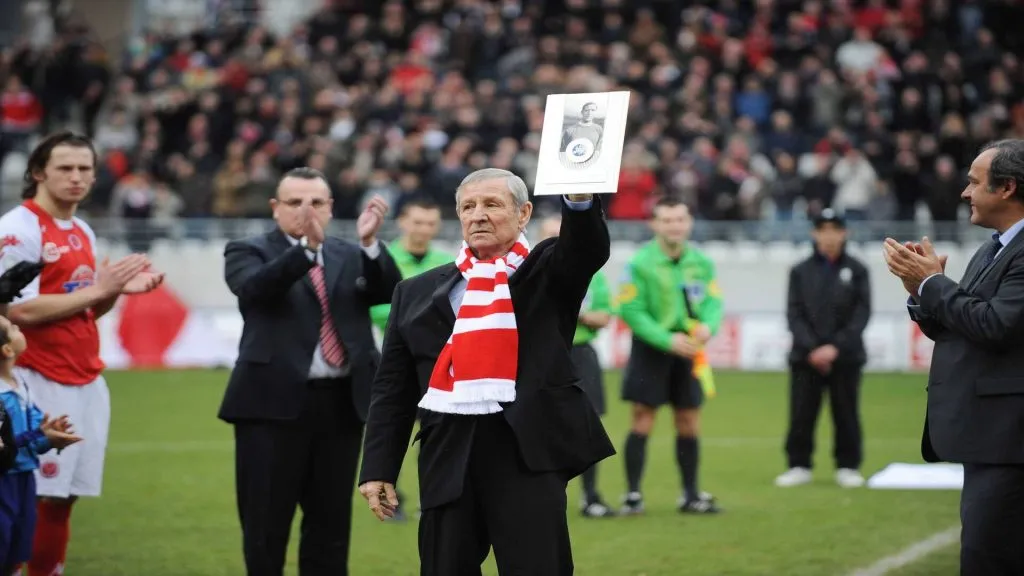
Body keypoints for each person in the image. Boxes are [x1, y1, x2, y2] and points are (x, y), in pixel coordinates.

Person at [357, 168, 614, 576]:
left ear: (524, 213)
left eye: (492, 204)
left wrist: (579, 195)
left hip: (527, 457)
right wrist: (378, 468)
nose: (478, 215)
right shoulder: (415, 292)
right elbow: (393, 387)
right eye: (468, 207)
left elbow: (584, 248)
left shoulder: (547, 272)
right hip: (447, 458)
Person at [219, 166, 401, 576]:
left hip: (340, 404)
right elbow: (254, 290)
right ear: (274, 208)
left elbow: (388, 290)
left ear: (331, 206)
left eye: (317, 202)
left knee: (331, 523)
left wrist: (370, 243)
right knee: (265, 523)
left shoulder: (348, 252)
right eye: (295, 202)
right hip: (270, 406)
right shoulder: (246, 250)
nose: (307, 210)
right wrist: (303, 252)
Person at [0, 131, 163, 576]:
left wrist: (113, 293)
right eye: (65, 168)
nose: (76, 177)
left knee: (65, 497)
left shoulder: (82, 229)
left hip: (85, 377)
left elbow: (86, 308)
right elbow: (18, 308)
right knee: (30, 494)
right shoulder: (20, 228)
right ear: (38, 173)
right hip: (39, 375)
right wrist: (99, 289)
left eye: (85, 169)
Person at [884, 139, 1024, 575]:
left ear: (1007, 188)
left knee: (989, 558)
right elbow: (961, 324)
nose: (964, 193)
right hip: (988, 437)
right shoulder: (994, 247)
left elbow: (996, 326)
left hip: (1011, 441)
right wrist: (921, 291)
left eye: (974, 182)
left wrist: (934, 284)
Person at [617, 197, 723, 515]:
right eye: (667, 220)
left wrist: (708, 326)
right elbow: (631, 310)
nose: (675, 226)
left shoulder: (701, 262)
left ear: (688, 223)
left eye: (680, 219)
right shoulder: (639, 263)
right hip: (652, 350)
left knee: (689, 420)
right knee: (642, 418)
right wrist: (666, 339)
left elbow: (713, 301)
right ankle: (633, 494)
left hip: (689, 349)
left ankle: (690, 494)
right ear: (654, 225)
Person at [368, 197, 452, 522]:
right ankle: (392, 494)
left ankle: (431, 497)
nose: (423, 230)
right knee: (392, 427)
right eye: (417, 222)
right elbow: (377, 310)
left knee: (434, 433)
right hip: (395, 361)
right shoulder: (385, 260)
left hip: (437, 363)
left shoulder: (448, 260)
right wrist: (427, 318)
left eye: (430, 223)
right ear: (403, 222)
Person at [775, 209, 871, 489]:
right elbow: (794, 314)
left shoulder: (857, 269)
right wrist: (814, 347)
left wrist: (835, 347)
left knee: (846, 412)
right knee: (802, 413)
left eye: (834, 229)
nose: (829, 235)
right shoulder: (800, 270)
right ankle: (799, 464)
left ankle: (848, 465)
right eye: (823, 229)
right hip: (805, 357)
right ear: (814, 233)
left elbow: (861, 314)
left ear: (845, 233)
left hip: (846, 357)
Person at [537, 212, 616, 518]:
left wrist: (575, 312)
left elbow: (605, 316)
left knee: (586, 426)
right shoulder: (531, 270)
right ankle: (543, 496)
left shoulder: (592, 272)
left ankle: (591, 497)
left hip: (581, 352)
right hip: (543, 354)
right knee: (539, 425)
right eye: (549, 233)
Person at [0, 315, 82, 575]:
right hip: (3, 480)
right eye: (13, 328)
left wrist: (50, 438)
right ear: (7, 349)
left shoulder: (20, 384)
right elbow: (8, 444)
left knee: (19, 545)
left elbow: (33, 433)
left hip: (25, 477)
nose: (19, 327)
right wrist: (37, 435)